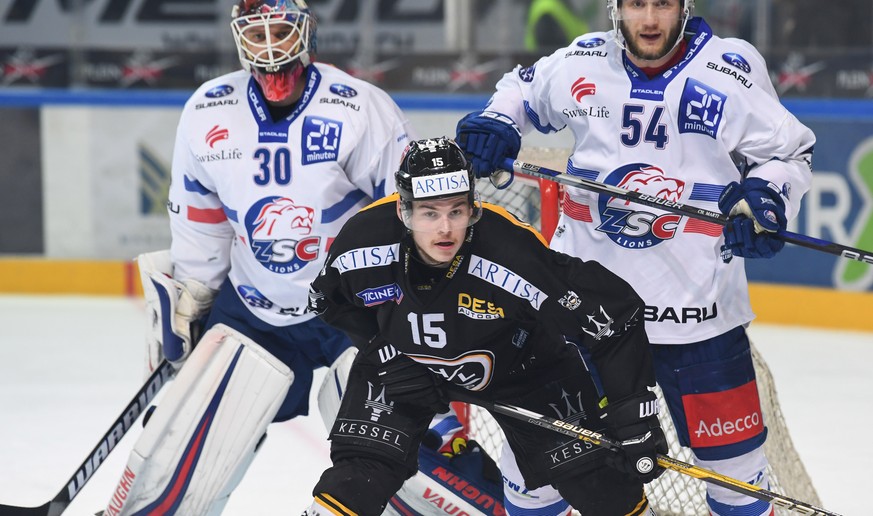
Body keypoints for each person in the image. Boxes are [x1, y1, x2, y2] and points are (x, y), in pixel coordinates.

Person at [455, 1, 816, 515]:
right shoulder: (582, 62)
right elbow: (520, 87)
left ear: (684, 7)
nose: (649, 20)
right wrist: (497, 121)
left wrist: (766, 197)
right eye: (636, 4)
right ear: (616, 8)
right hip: (579, 317)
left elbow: (787, 153)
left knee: (740, 483)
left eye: (663, 4)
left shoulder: (728, 69)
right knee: (535, 472)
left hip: (697, 321)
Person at [101, 1, 415, 514]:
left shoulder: (358, 107)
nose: (269, 44)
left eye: (280, 28)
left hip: (358, 312)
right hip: (253, 309)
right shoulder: (208, 109)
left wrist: (414, 303)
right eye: (257, 31)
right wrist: (194, 295)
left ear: (305, 30)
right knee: (171, 476)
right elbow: (200, 216)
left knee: (405, 470)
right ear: (239, 36)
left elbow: (408, 211)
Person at [303, 137, 666, 516]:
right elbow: (331, 303)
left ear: (473, 208)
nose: (445, 230)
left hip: (524, 368)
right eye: (429, 213)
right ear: (404, 211)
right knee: (356, 479)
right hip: (407, 361)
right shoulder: (362, 243)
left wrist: (633, 413)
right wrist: (386, 352)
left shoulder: (511, 251)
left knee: (602, 490)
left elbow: (612, 316)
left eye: (456, 212)